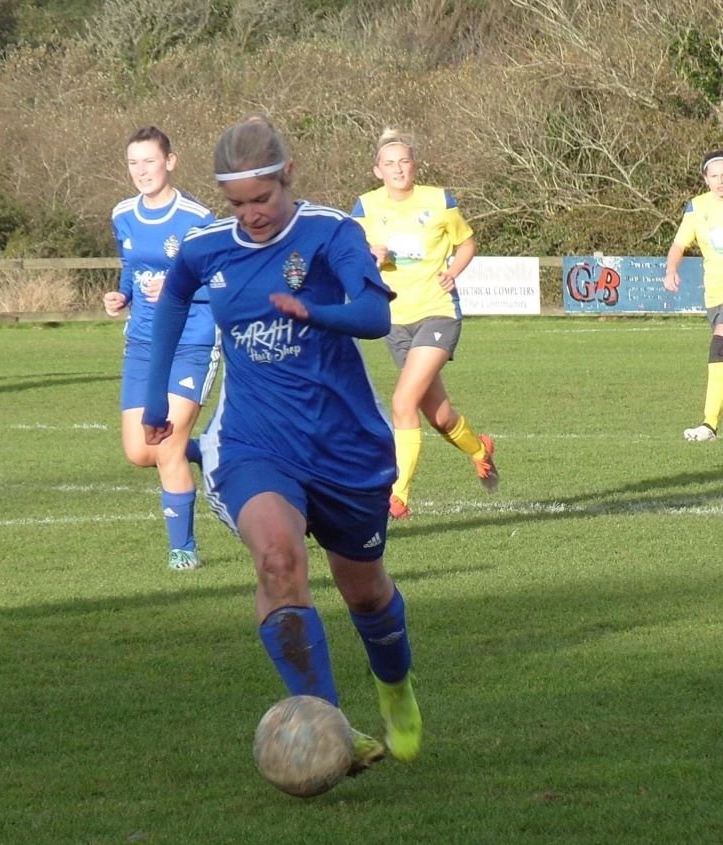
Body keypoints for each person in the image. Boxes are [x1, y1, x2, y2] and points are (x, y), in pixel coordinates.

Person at [143, 116, 422, 771]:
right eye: (237, 203)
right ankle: (329, 725)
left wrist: (314, 311)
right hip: (254, 443)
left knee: (366, 592)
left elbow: (376, 314)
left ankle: (396, 690)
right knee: (276, 559)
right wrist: (157, 394)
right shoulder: (207, 246)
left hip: (346, 446)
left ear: (288, 176)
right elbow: (175, 297)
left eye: (262, 198)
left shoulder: (331, 234)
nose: (252, 215)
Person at [350, 129, 498, 520]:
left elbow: (466, 242)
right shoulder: (364, 208)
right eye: (389, 164)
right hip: (395, 320)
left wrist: (454, 270)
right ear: (377, 171)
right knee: (440, 416)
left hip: (438, 312)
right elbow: (350, 254)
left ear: (414, 166)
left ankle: (397, 494)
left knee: (402, 402)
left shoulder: (439, 201)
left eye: (404, 161)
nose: (398, 169)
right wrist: (370, 255)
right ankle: (480, 449)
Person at [105, 126, 218, 571]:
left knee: (167, 444)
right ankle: (211, 449)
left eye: (149, 161)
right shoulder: (122, 215)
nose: (141, 171)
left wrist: (178, 290)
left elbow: (221, 284)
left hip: (192, 340)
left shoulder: (198, 219)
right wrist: (123, 296)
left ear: (170, 161)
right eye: (133, 163)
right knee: (139, 452)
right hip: (142, 343)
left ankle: (183, 549)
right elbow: (131, 267)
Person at [664, 149, 723, 441]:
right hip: (715, 295)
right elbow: (678, 246)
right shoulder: (697, 208)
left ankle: (709, 424)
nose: (721, 181)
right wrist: (671, 270)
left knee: (720, 346)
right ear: (705, 178)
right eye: (715, 176)